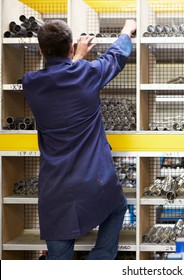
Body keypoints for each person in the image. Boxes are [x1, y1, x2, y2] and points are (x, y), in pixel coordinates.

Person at [22, 19, 136, 260]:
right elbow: (116, 57)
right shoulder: (86, 73)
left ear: (41, 50)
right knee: (117, 209)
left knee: (59, 260)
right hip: (94, 180)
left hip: (55, 189)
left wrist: (76, 58)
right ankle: (99, 259)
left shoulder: (31, 83)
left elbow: (59, 79)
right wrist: (127, 30)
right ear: (71, 47)